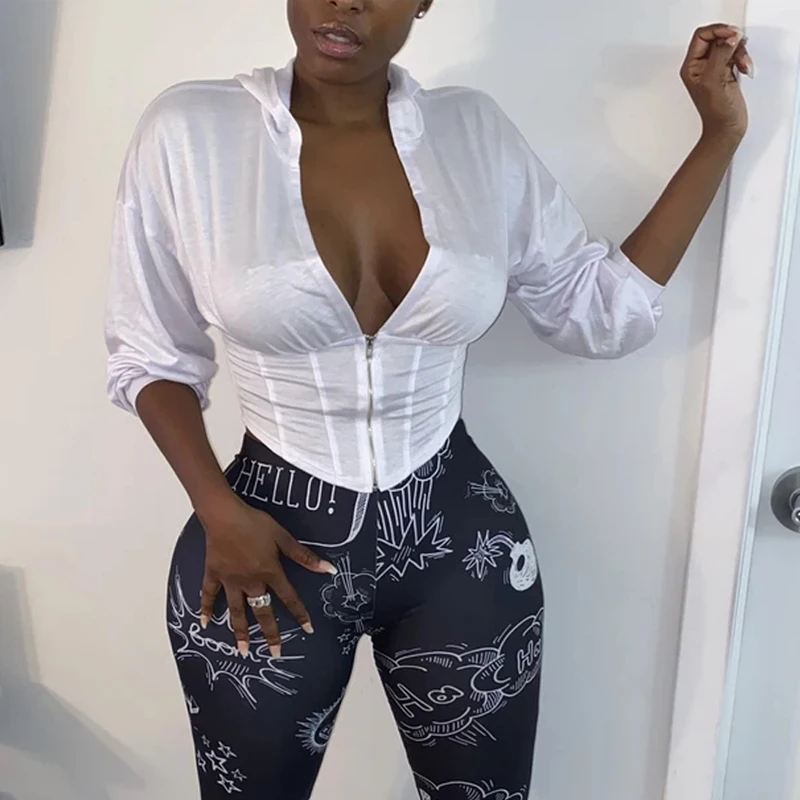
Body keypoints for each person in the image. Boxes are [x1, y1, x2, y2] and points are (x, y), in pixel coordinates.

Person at [105, 1, 752, 797]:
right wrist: (216, 509)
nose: (344, 1)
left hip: (460, 545)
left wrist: (718, 136)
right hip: (259, 547)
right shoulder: (192, 130)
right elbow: (150, 354)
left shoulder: (471, 133)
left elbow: (598, 310)